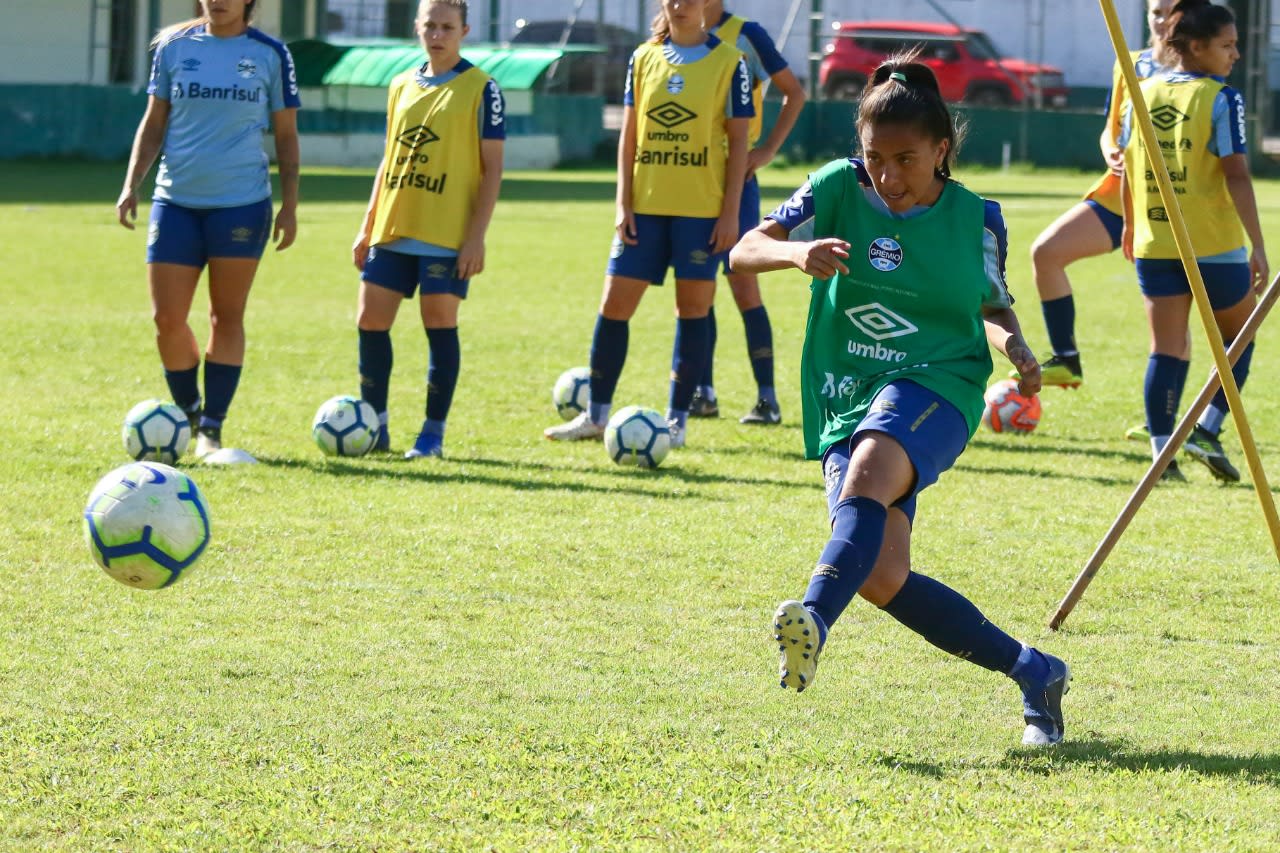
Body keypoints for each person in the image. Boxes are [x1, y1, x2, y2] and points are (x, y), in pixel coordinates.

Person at [730, 55, 1070, 746]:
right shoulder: (835, 187)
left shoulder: (977, 217)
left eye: (905, 158)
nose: (887, 175)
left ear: (942, 148)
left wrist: (1017, 349)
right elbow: (743, 249)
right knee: (883, 575)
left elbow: (992, 306)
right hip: (844, 389)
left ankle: (815, 620)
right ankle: (1036, 671)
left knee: (867, 474)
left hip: (938, 381)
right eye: (874, 157)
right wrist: (797, 256)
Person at [543, 0, 751, 448]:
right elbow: (629, 135)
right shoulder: (642, 58)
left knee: (692, 309)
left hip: (700, 210)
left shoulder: (730, 62)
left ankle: (676, 423)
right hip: (645, 208)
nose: (679, 5)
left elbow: (738, 144)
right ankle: (596, 415)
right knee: (613, 305)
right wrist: (623, 202)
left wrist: (730, 212)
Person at [116, 0, 300, 461]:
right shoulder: (174, 48)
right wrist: (131, 183)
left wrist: (291, 204)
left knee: (226, 316)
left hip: (240, 205)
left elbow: (286, 136)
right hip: (175, 202)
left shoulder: (270, 54)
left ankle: (212, 428)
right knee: (167, 320)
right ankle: (189, 413)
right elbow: (154, 122)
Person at [1119, 0, 1265, 483]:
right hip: (1214, 246)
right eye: (1228, 45)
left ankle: (1163, 453)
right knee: (1237, 341)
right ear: (1197, 47)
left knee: (1167, 347)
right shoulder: (1221, 97)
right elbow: (1237, 175)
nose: (1235, 55)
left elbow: (1126, 167)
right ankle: (1208, 425)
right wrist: (1258, 246)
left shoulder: (1139, 93)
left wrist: (1129, 226)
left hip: (1154, 242)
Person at [352, 0, 504, 459]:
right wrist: (367, 225)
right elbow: (388, 159)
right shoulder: (400, 84)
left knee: (438, 324)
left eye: (447, 27)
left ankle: (432, 434)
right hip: (394, 228)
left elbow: (492, 169)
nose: (437, 34)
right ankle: (375, 426)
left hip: (446, 232)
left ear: (464, 31)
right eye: (429, 26)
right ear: (418, 29)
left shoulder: (482, 88)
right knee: (370, 321)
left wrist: (476, 237)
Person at [1020, 0, 1174, 391]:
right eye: (1156, 13)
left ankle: (1172, 424)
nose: (1163, 22)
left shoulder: (1198, 70)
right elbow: (1111, 128)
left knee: (1171, 329)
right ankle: (1067, 359)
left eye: (1173, 12)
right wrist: (1110, 149)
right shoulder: (1130, 62)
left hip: (1171, 206)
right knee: (1046, 252)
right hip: (1118, 197)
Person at [681, 0, 806, 426]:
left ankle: (767, 399)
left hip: (739, 183)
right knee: (697, 289)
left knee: (744, 289)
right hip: (692, 182)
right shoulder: (674, 33)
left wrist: (768, 149)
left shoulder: (745, 34)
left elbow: (795, 91)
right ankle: (704, 392)